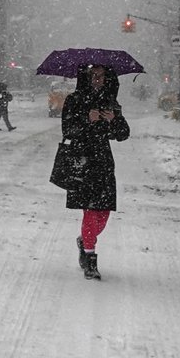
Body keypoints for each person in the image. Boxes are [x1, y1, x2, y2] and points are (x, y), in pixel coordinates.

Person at [57, 64, 130, 279]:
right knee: (90, 210)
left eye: (101, 76)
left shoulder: (110, 102)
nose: (97, 79)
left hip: (104, 162)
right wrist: (86, 119)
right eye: (94, 75)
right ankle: (90, 259)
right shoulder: (74, 100)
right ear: (86, 77)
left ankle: (84, 240)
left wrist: (113, 120)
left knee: (103, 214)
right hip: (82, 160)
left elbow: (123, 134)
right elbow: (67, 129)